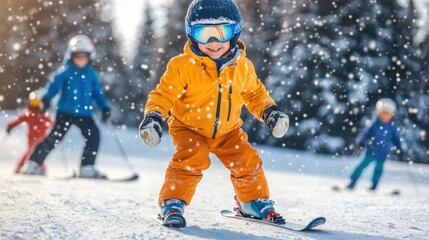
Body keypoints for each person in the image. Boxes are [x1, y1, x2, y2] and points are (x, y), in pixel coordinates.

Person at [138, 0, 290, 227]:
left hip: (228, 131)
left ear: (235, 31)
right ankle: (172, 202)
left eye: (221, 32)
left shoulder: (243, 66)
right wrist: (154, 116)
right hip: (189, 128)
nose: (213, 42)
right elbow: (163, 94)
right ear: (191, 33)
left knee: (247, 160)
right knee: (193, 156)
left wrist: (270, 112)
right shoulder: (182, 65)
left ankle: (251, 201)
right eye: (204, 33)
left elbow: (255, 95)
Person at [23, 34, 111, 178]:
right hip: (65, 112)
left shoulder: (91, 75)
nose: (81, 60)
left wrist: (105, 108)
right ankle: (33, 164)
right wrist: (45, 100)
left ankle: (87, 167)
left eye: (84, 56)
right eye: (78, 56)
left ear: (90, 57)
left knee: (94, 136)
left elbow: (98, 94)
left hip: (85, 114)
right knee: (53, 138)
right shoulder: (65, 72)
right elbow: (53, 87)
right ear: (71, 55)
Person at [346, 98, 403, 191]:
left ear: (392, 115)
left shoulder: (392, 127)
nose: (385, 116)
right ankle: (352, 181)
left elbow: (396, 139)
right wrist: (361, 141)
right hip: (371, 151)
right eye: (382, 113)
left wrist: (399, 148)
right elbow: (366, 133)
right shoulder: (375, 124)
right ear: (378, 113)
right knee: (361, 166)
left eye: (387, 114)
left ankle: (374, 185)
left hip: (382, 153)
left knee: (378, 170)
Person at [6, 92, 53, 174]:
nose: (36, 105)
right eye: (34, 102)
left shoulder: (43, 115)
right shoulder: (29, 113)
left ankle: (40, 167)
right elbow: (19, 119)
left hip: (41, 138)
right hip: (32, 138)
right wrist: (10, 126)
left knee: (37, 153)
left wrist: (56, 128)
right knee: (31, 152)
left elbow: (51, 123)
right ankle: (21, 167)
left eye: (38, 102)